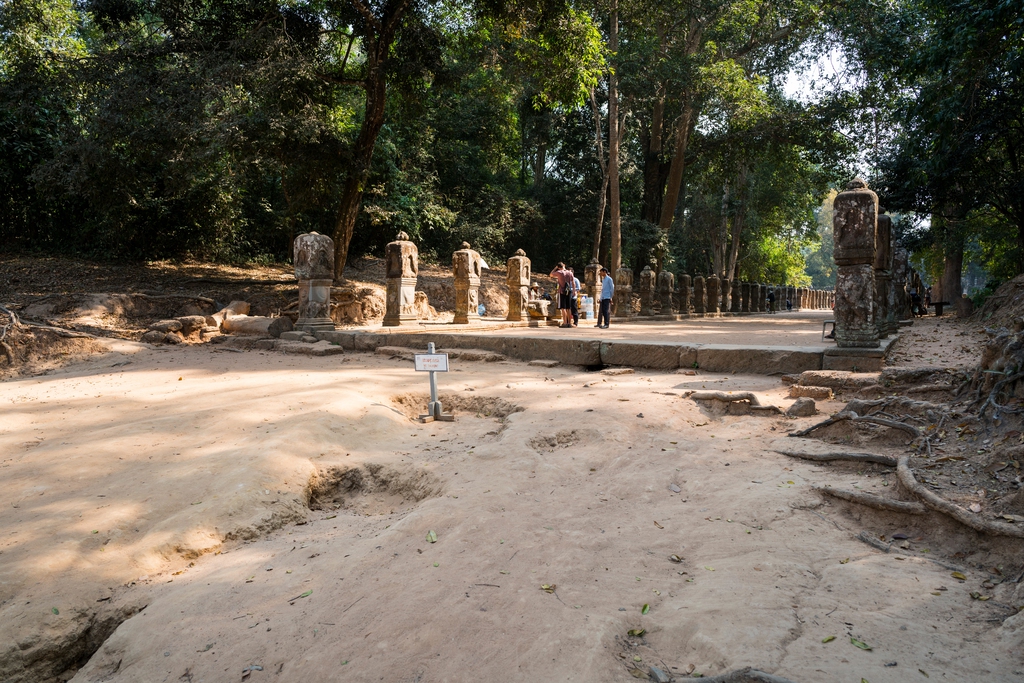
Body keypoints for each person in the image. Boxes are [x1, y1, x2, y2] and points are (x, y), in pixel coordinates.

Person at [549, 262, 574, 328]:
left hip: (562, 291)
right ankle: (569, 323)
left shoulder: (559, 272)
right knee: (569, 308)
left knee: (563, 308)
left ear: (558, 267)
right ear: (564, 265)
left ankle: (565, 322)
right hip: (569, 291)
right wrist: (574, 291)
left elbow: (551, 275)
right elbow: (573, 282)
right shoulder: (570, 272)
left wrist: (555, 268)